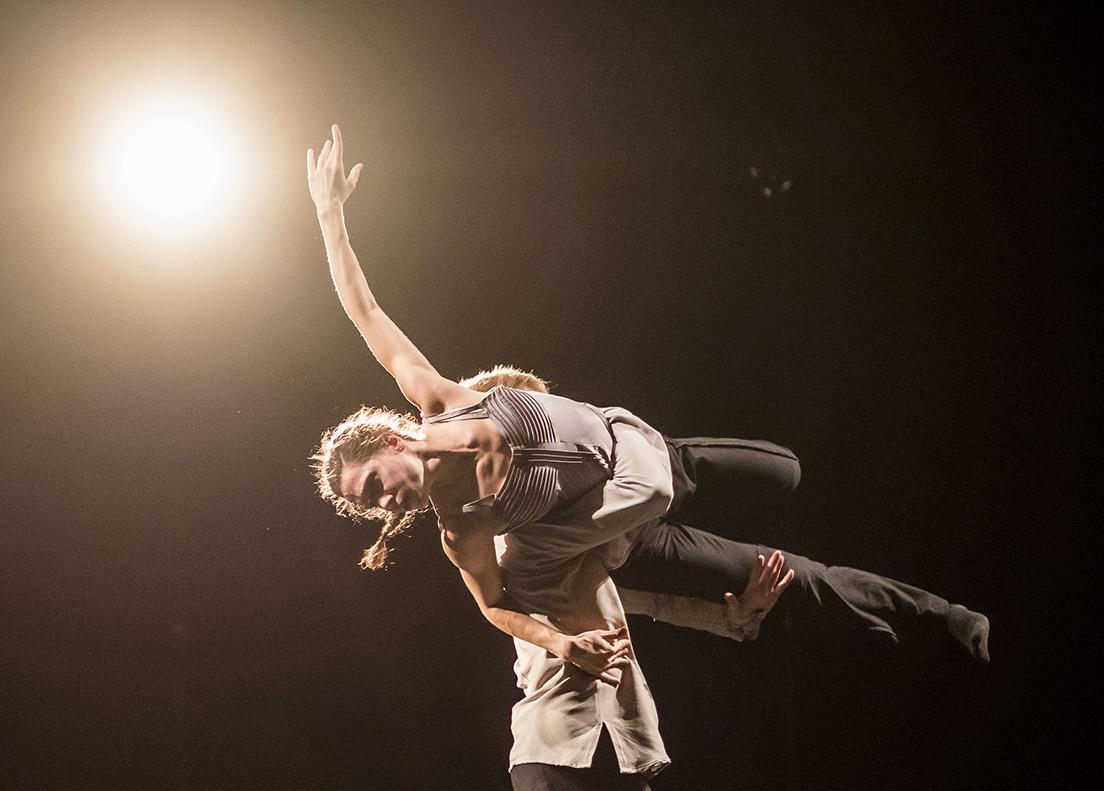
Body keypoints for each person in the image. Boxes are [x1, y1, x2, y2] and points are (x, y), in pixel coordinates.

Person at [305, 126, 990, 671]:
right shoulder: (461, 530)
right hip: (633, 531)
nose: (382, 503)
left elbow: (366, 313)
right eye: (370, 506)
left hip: (646, 452)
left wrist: (330, 215)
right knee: (787, 576)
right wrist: (562, 643)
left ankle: (886, 561)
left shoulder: (440, 401)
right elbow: (496, 606)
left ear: (389, 441)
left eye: (373, 484)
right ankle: (943, 617)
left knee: (790, 472)